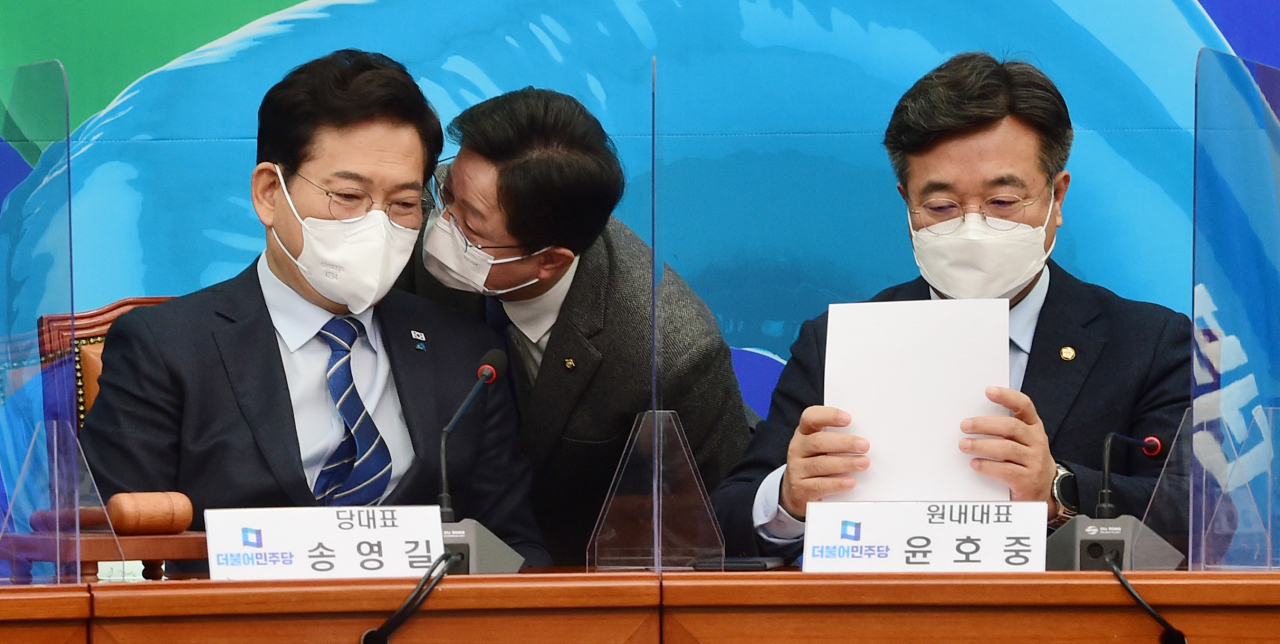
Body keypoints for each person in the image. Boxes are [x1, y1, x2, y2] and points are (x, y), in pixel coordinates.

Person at [711, 52, 1192, 559]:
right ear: (907, 203)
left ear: (1057, 197)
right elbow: (722, 523)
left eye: (1003, 202)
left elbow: (1198, 521)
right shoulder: (838, 341)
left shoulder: (1149, 344)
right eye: (941, 207)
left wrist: (1057, 490)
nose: (972, 226)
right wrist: (788, 498)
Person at [81, 50, 550, 568]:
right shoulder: (166, 347)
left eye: (402, 204)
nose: (377, 224)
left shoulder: (467, 356)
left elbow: (516, 552)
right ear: (268, 194)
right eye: (348, 195)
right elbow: (110, 556)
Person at [397, 88, 752, 565]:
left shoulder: (668, 352)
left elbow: (712, 534)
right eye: (448, 194)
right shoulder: (411, 212)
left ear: (549, 261)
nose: (441, 225)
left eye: (472, 227)